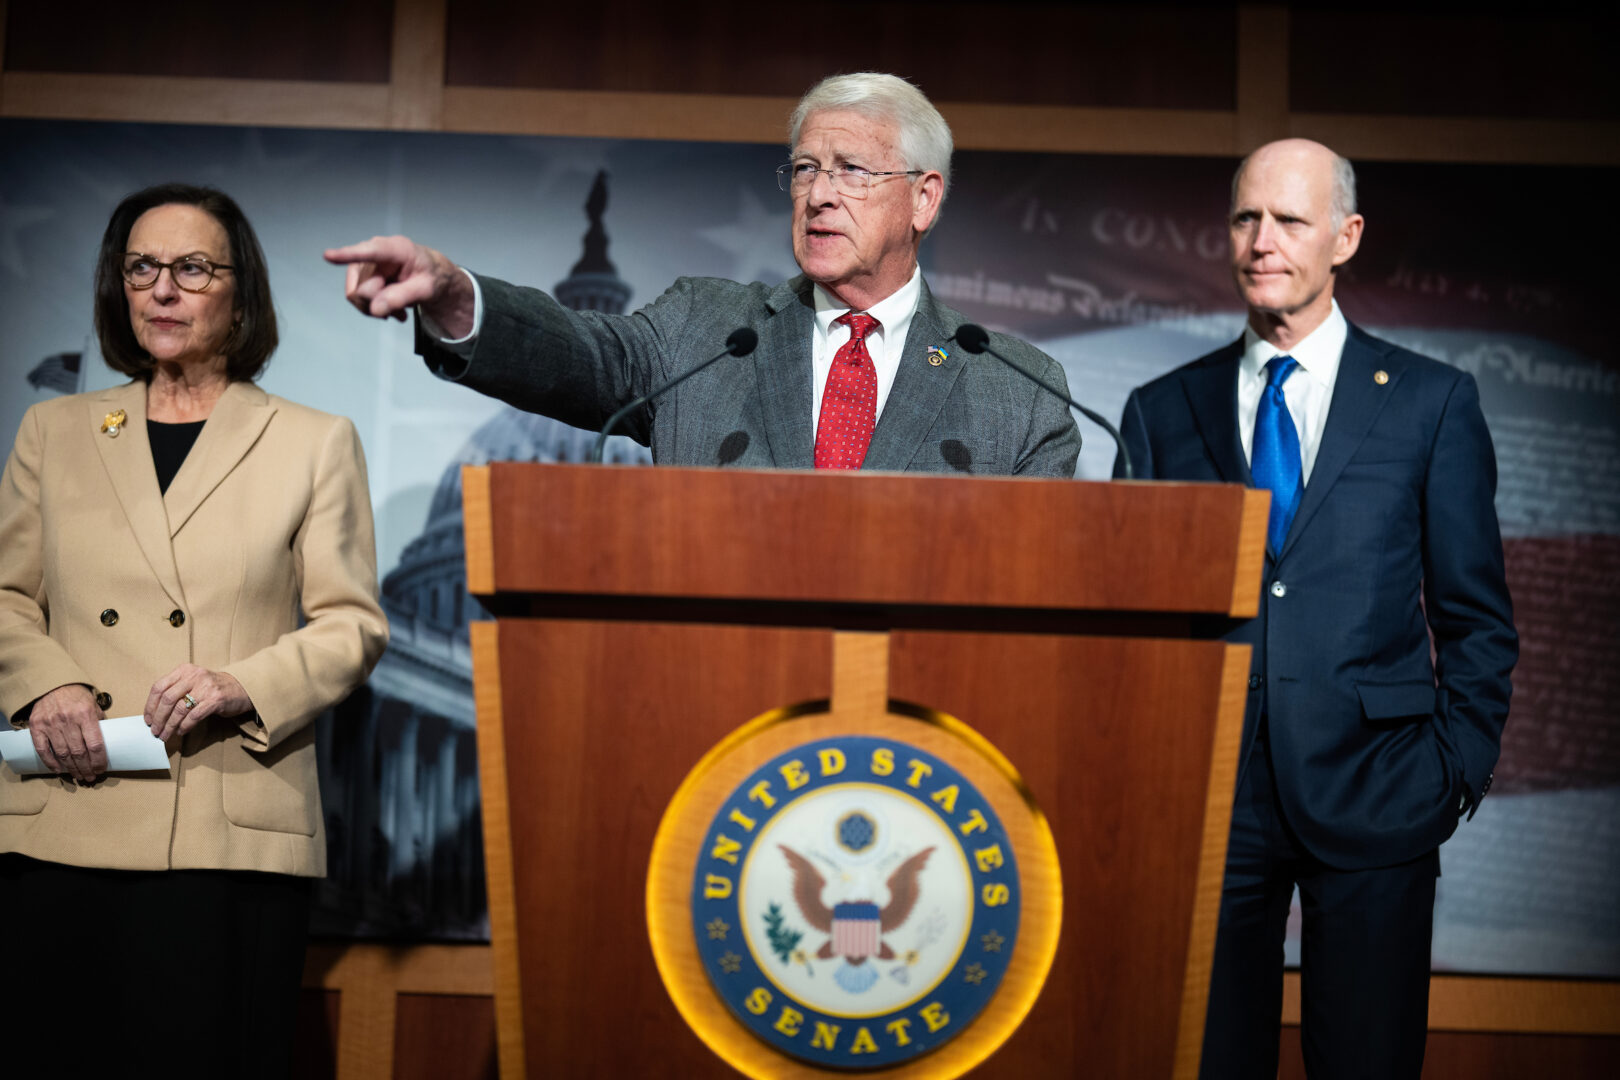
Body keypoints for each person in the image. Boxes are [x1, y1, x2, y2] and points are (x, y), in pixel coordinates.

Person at [1114, 140, 1516, 1078]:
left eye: (1290, 221)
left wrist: (1454, 774)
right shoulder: (1160, 409)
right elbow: (1140, 624)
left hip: (1382, 789)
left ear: (1347, 237)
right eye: (1247, 218)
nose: (1263, 241)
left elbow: (1477, 616)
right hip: (1213, 802)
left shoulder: (1430, 402)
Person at [0, 184, 388, 1078]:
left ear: (239, 295)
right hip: (62, 811)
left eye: (192, 268)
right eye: (142, 267)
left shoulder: (312, 441)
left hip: (219, 823)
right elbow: (7, 597)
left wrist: (241, 683)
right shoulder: (53, 430)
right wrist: (45, 684)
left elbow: (351, 626)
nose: (162, 289)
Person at [325, 73, 1081, 476]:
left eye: (851, 170)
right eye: (806, 168)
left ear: (923, 198)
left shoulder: (1017, 389)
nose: (817, 193)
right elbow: (586, 358)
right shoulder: (709, 331)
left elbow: (1041, 597)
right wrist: (458, 296)